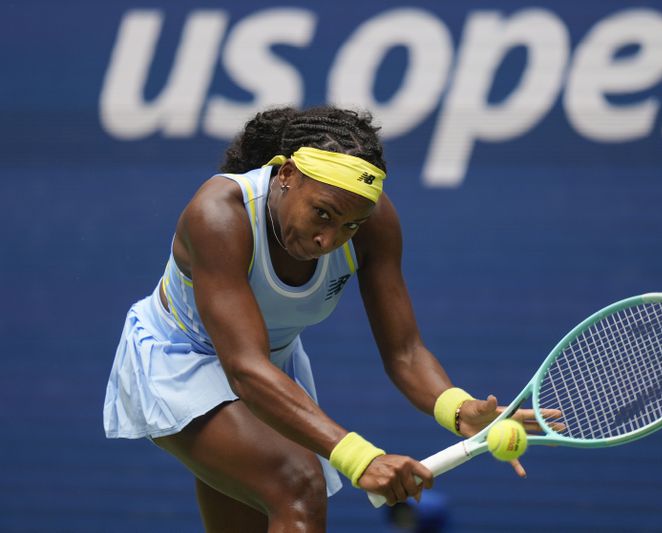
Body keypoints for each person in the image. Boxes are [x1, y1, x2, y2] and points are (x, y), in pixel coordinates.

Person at [103, 106, 548, 532]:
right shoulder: (219, 216)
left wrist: (459, 409)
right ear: (287, 175)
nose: (328, 239)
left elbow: (405, 352)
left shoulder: (374, 224)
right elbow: (244, 369)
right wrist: (361, 459)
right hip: (180, 361)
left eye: (350, 226)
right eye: (323, 214)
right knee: (299, 484)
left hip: (267, 367)